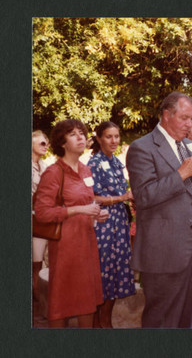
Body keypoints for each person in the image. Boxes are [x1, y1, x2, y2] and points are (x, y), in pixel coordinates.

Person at [126, 92, 192, 328]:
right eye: (185, 118)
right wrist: (181, 174)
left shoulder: (186, 146)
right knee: (162, 316)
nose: (190, 125)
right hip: (165, 248)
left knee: (187, 312)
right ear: (167, 115)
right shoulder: (142, 147)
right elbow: (144, 196)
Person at [34, 119, 109, 328]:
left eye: (82, 133)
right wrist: (79, 210)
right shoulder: (54, 172)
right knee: (62, 299)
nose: (80, 137)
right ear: (62, 142)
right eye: (73, 134)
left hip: (86, 242)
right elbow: (41, 213)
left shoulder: (86, 171)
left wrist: (95, 215)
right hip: (66, 246)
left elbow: (87, 203)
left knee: (86, 298)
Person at [87, 121, 136, 328]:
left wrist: (130, 198)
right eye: (109, 137)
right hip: (104, 225)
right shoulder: (93, 164)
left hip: (120, 225)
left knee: (117, 272)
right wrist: (122, 197)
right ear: (99, 139)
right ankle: (99, 323)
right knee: (102, 274)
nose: (114, 141)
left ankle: (106, 321)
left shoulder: (116, 162)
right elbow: (91, 197)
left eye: (116, 136)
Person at [32, 130, 49, 301]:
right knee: (35, 264)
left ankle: (41, 302)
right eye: (42, 143)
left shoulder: (44, 166)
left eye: (47, 143)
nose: (46, 146)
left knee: (41, 263)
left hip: (44, 219)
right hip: (32, 219)